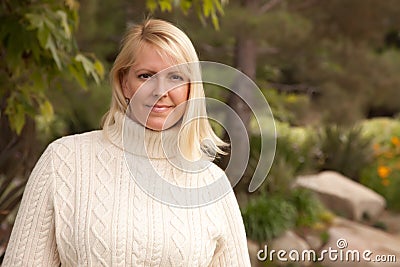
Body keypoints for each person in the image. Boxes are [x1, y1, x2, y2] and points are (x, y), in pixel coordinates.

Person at [2, 19, 251, 266]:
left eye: (175, 77)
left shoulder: (211, 184)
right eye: (145, 76)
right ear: (125, 83)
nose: (159, 90)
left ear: (190, 89)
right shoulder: (63, 161)